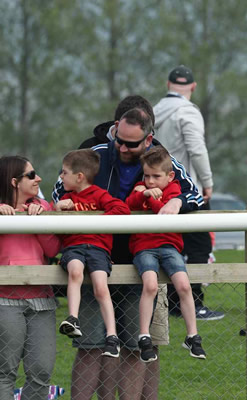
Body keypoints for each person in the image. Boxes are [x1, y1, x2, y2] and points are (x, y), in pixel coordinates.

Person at [53, 106, 203, 399]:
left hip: (143, 259)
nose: (121, 147)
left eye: (130, 143)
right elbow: (62, 187)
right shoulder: (95, 151)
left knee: (140, 344)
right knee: (93, 344)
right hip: (94, 256)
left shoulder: (161, 158)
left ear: (149, 139)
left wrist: (177, 203)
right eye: (118, 139)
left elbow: (193, 194)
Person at [153, 65, 222, 321]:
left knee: (169, 245)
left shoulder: (153, 112)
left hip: (158, 189)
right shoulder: (188, 112)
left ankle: (171, 302)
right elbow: (196, 149)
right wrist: (207, 182)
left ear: (168, 84)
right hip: (187, 189)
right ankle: (193, 303)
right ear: (192, 87)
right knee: (199, 246)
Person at [125, 146, 205, 362]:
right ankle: (144, 335)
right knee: (150, 285)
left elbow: (161, 210)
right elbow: (128, 204)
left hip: (169, 246)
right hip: (144, 246)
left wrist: (151, 198)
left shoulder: (174, 190)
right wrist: (142, 193)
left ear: (170, 176)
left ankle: (192, 335)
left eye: (156, 176)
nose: (150, 181)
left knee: (184, 285)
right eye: (147, 175)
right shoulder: (139, 188)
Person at [55, 149, 131, 358]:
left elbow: (121, 210)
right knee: (75, 272)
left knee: (100, 286)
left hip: (98, 249)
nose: (61, 177)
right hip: (74, 248)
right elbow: (58, 231)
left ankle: (112, 335)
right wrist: (59, 210)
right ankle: (72, 318)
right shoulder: (65, 199)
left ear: (79, 177)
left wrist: (97, 219)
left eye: (64, 172)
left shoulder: (99, 195)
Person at [0, 156, 61, 400]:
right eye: (32, 174)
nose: (39, 178)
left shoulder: (43, 208)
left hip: (41, 301)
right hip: (4, 300)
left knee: (41, 372)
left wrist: (39, 221)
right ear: (14, 181)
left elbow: (53, 250)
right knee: (5, 371)